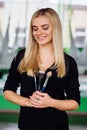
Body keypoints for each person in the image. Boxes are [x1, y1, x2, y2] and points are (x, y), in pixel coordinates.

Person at [3, 8, 80, 130]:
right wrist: (28, 102)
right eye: (35, 28)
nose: (39, 33)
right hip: (27, 126)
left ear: (55, 29)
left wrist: (51, 102)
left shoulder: (68, 62)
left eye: (45, 28)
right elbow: (7, 91)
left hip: (57, 126)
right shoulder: (22, 56)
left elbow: (75, 102)